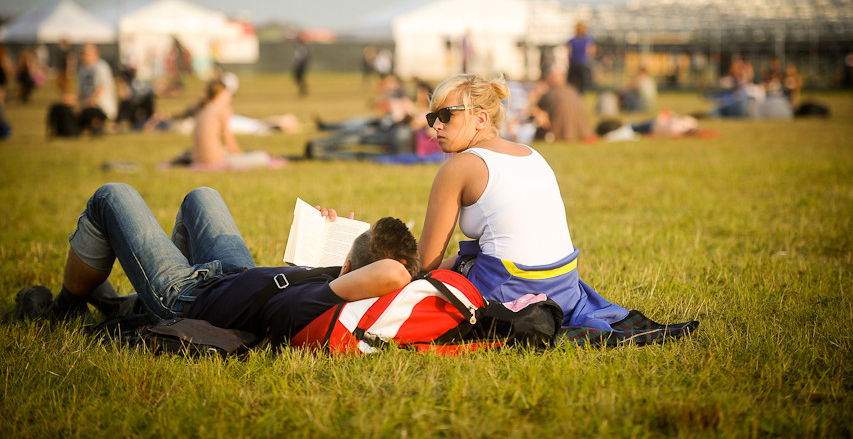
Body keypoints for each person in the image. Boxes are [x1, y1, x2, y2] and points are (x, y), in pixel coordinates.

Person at [416, 74, 697, 340]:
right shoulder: (531, 153)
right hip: (565, 289)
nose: (436, 126)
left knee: (421, 286)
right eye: (433, 117)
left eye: (446, 115)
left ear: (480, 118)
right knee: (463, 261)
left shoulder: (459, 166)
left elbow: (425, 262)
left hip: (511, 292)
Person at [7, 183, 419, 347]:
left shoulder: (320, 305)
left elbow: (393, 274)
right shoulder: (338, 286)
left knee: (111, 197)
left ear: (350, 268)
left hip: (186, 297)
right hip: (232, 274)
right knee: (200, 197)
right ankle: (125, 303)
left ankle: (63, 307)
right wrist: (331, 236)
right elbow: (383, 272)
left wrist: (387, 271)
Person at [191, 79, 284, 169]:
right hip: (215, 160)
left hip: (200, 159)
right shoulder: (222, 109)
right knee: (263, 157)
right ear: (221, 93)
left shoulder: (204, 109)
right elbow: (228, 139)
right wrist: (241, 157)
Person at [532, 65, 596, 142]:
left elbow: (537, 111)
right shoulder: (573, 91)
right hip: (582, 133)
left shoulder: (550, 93)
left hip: (561, 134)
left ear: (550, 78)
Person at [77, 43, 117, 134]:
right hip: (87, 105)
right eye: (82, 53)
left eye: (86, 54)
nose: (83, 56)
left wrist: (87, 103)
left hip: (101, 108)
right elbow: (81, 93)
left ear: (96, 54)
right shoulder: (82, 69)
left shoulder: (101, 67)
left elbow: (100, 90)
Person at [567, 21, 595, 94]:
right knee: (583, 82)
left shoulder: (572, 40)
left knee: (572, 81)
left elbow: (569, 53)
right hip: (583, 63)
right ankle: (580, 93)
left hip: (574, 63)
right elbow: (590, 52)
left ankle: (573, 93)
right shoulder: (587, 40)